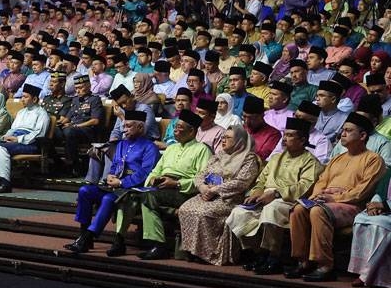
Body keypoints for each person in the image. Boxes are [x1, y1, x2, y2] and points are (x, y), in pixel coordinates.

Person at [286, 113, 387, 281]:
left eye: (348, 130)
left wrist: (334, 199)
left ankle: (325, 265)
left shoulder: (374, 159)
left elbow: (362, 192)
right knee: (298, 209)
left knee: (318, 211)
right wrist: (317, 195)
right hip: (326, 201)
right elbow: (322, 181)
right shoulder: (338, 158)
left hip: (353, 205)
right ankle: (303, 261)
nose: (343, 134)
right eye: (342, 130)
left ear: (362, 136)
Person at [226, 117, 323, 275]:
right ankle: (258, 253)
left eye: (290, 135)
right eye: (285, 134)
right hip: (265, 197)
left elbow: (304, 187)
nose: (285, 138)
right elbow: (261, 179)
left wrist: (276, 193)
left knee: (272, 209)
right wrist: (256, 192)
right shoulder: (276, 158)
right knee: (239, 212)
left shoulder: (311, 162)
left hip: (289, 201)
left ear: (303, 140)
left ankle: (273, 257)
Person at [112, 110, 212, 259]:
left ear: (192, 131)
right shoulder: (171, 148)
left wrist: (177, 183)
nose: (175, 130)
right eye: (175, 127)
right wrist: (152, 180)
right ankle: (119, 241)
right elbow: (154, 171)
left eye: (179, 128)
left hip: (183, 192)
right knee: (129, 196)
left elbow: (202, 180)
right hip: (159, 188)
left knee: (148, 197)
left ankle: (158, 245)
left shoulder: (202, 150)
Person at [65, 109, 159, 254]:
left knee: (109, 198)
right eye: (124, 126)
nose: (124, 129)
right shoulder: (122, 144)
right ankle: (84, 235)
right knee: (85, 191)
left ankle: (87, 238)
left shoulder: (150, 147)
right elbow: (115, 164)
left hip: (133, 190)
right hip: (114, 186)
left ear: (140, 127)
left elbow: (146, 173)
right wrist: (110, 175)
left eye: (129, 126)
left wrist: (121, 183)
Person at [177, 125, 262, 265]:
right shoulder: (219, 156)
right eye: (223, 137)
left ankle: (209, 253)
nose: (223, 140)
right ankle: (193, 251)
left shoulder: (248, 158)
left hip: (230, 198)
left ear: (240, 141)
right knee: (185, 209)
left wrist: (215, 190)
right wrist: (203, 187)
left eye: (228, 138)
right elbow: (200, 175)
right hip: (207, 194)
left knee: (204, 213)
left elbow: (241, 182)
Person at [0, 83, 49, 194]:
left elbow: (39, 134)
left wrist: (18, 139)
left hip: (29, 143)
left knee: (2, 149)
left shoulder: (42, 114)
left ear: (35, 99)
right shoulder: (21, 112)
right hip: (13, 139)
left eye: (25, 97)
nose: (22, 99)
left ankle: (5, 183)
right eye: (22, 96)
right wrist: (7, 136)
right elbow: (13, 129)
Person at [347, 167, 391, 288]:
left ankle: (370, 275)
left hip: (387, 210)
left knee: (380, 224)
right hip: (384, 209)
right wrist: (373, 205)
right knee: (361, 219)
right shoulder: (389, 171)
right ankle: (362, 269)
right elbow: (379, 193)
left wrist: (384, 206)